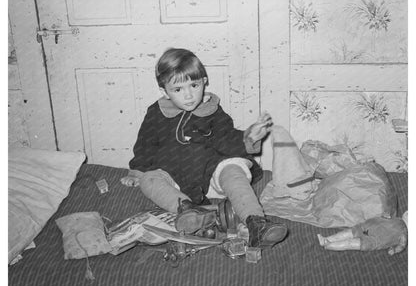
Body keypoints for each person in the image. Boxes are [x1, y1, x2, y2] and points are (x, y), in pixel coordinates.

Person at [120, 47, 288, 248]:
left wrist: (249, 137)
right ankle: (188, 210)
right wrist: (136, 171)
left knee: (233, 169)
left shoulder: (212, 111)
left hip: (211, 172)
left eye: (194, 85)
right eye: (178, 90)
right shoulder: (157, 113)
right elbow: (145, 144)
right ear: (164, 91)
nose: (189, 95)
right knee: (149, 180)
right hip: (174, 177)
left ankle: (256, 223)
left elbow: (226, 139)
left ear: (204, 81)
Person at [317, 211, 408, 255]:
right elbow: (385, 216)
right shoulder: (396, 218)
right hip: (366, 228)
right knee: (347, 233)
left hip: (372, 240)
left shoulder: (403, 234)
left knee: (350, 243)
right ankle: (326, 239)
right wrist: (385, 216)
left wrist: (395, 250)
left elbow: (402, 246)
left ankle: (329, 245)